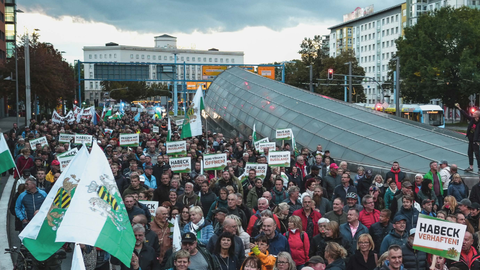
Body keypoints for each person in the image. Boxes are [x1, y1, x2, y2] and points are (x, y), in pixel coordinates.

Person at [455, 103, 480, 172]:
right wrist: (459, 108)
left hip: (476, 141)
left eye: (475, 113)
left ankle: (479, 168)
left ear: (477, 115)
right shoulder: (472, 119)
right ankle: (471, 167)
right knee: (470, 153)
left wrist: (478, 141)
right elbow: (465, 115)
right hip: (471, 140)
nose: (473, 114)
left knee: (477, 155)